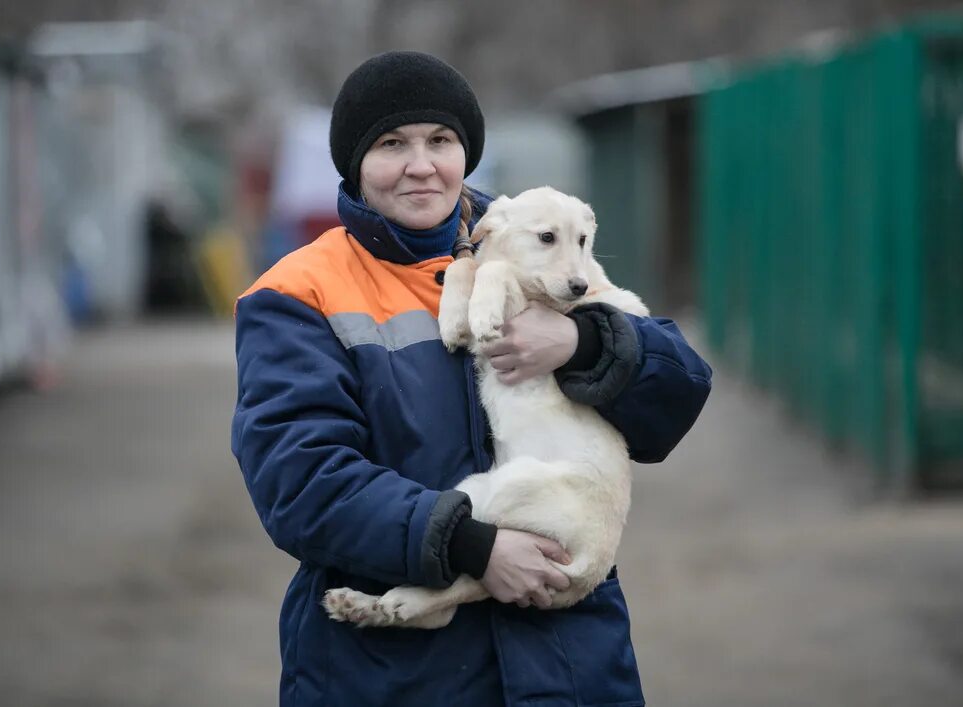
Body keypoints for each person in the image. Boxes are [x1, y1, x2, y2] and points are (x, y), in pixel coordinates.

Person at [232, 50, 712, 707]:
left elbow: (681, 390)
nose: (421, 164)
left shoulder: (540, 241)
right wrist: (471, 544)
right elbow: (301, 482)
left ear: (468, 151)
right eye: (392, 143)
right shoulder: (299, 292)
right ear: (354, 161)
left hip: (568, 665)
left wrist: (581, 341)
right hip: (394, 675)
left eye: (441, 140)